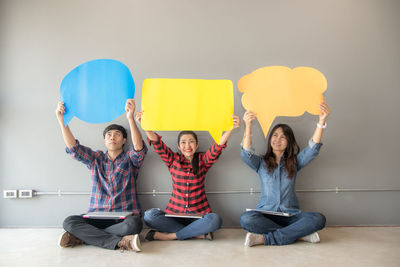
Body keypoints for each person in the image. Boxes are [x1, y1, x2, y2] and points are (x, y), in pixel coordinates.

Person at [56, 99, 147, 252]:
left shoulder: (130, 160)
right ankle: (121, 242)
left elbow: (138, 149)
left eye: (117, 135)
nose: (112, 137)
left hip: (123, 218)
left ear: (124, 140)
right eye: (109, 135)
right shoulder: (95, 158)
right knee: (69, 222)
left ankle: (82, 237)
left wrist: (130, 118)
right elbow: (74, 149)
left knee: (135, 225)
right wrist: (62, 120)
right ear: (104, 141)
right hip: (95, 218)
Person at [135, 111, 240, 241]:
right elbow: (157, 143)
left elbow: (218, 146)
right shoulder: (172, 159)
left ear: (197, 145)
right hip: (174, 215)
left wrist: (230, 129)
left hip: (199, 216)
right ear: (179, 146)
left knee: (215, 220)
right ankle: (197, 234)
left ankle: (171, 236)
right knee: (149, 216)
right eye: (183, 142)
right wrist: (144, 125)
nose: (187, 146)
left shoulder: (203, 160)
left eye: (191, 142)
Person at [240, 101, 330, 247]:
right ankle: (299, 235)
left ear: (289, 141)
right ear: (270, 139)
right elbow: (246, 154)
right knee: (246, 219)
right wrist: (248, 125)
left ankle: (265, 239)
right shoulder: (260, 163)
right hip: (266, 215)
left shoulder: (295, 162)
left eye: (283, 137)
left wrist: (321, 121)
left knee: (318, 219)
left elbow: (313, 148)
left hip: (291, 215)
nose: (278, 139)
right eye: (275, 135)